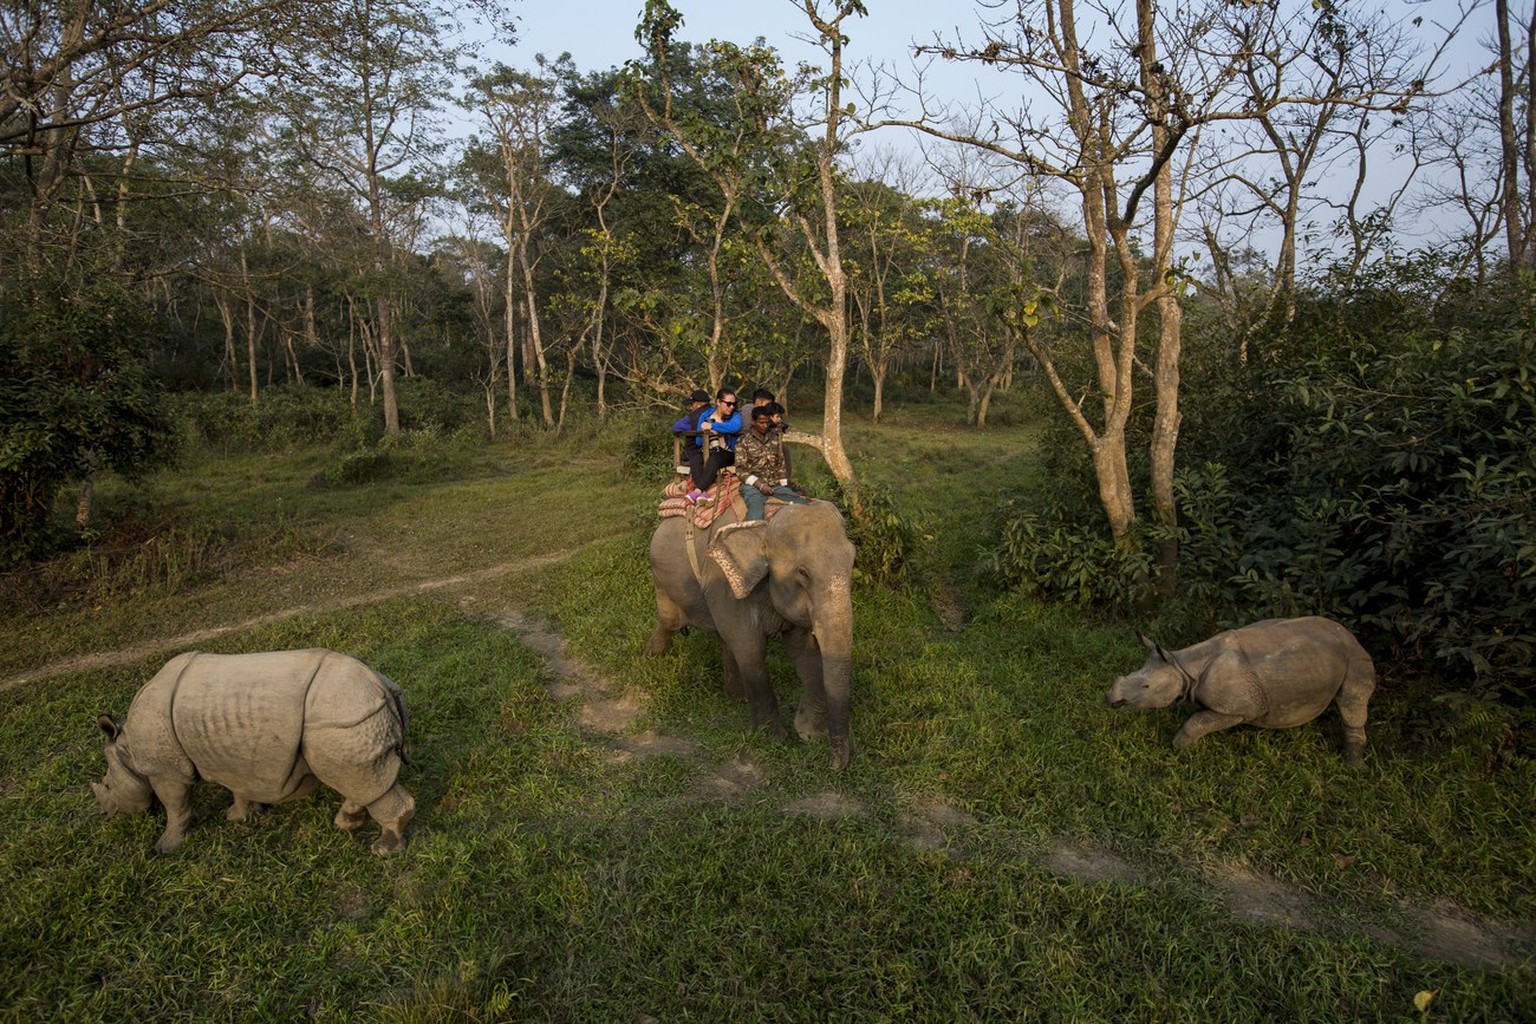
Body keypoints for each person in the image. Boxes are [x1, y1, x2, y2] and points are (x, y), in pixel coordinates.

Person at [735, 404, 808, 520]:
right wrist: (760, 485)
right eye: (761, 422)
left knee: (802, 503)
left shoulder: (774, 438)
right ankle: (752, 535)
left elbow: (780, 465)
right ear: (753, 422)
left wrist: (784, 486)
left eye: (767, 422)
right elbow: (740, 470)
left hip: (774, 485)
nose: (765, 426)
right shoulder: (743, 441)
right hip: (753, 486)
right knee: (756, 510)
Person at [690, 387, 742, 499]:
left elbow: (735, 427)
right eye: (728, 404)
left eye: (734, 404)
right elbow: (699, 441)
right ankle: (703, 493)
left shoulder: (735, 416)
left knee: (715, 457)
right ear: (718, 402)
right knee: (695, 458)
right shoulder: (705, 415)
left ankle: (698, 490)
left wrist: (714, 426)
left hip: (727, 452)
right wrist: (707, 433)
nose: (732, 407)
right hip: (707, 449)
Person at [671, 388, 711, 486]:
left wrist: (692, 428)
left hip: (695, 451)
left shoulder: (693, 416)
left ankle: (699, 488)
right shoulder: (715, 412)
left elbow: (675, 427)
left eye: (691, 404)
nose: (690, 408)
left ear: (698, 405)